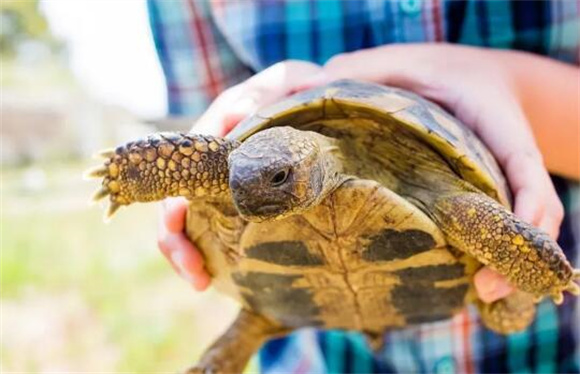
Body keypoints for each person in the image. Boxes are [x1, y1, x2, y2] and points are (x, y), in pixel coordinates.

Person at [148, 0, 579, 372]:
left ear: (306, 164)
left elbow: (475, 217)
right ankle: (250, 330)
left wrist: (516, 91)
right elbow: (212, 144)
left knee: (509, 303)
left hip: (551, 354)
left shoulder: (424, 177)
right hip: (309, 346)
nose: (247, 195)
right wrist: (151, 175)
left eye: (278, 179)